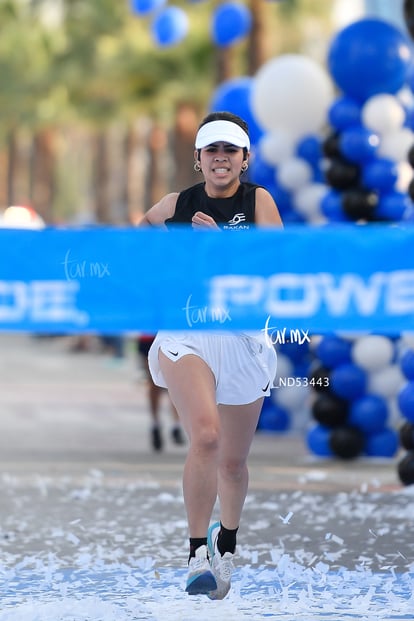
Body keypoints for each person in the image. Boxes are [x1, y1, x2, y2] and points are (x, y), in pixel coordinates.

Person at [138, 111, 283, 599]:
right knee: (205, 436)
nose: (221, 159)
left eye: (230, 151)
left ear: (245, 158)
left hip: (243, 336)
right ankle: (196, 552)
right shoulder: (177, 204)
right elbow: (140, 233)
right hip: (188, 331)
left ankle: (228, 542)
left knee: (233, 464)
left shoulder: (258, 201)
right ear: (199, 160)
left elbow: (280, 267)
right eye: (211, 151)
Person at [137, 334, 186, 451]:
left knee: (173, 381)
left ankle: (176, 424)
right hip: (149, 336)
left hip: (174, 336)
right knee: (153, 381)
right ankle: (155, 424)